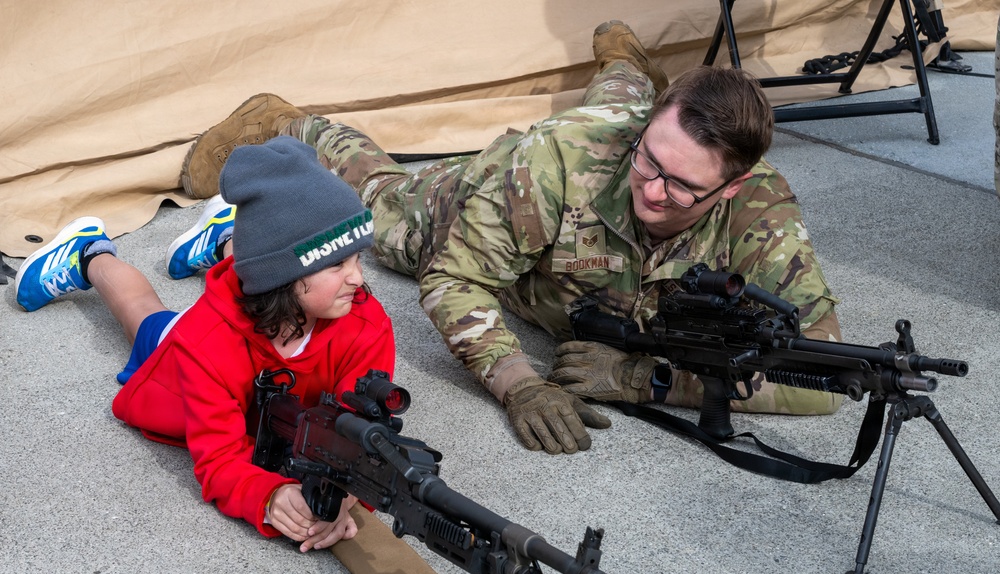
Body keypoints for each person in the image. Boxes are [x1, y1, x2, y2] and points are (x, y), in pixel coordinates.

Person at [179, 21, 842, 456]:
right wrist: (517, 380)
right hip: (497, 188)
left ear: (728, 188)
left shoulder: (760, 213)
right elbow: (453, 277)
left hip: (612, 129)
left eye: (681, 186)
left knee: (614, 119)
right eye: (650, 160)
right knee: (381, 215)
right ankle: (292, 122)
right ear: (650, 131)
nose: (652, 190)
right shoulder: (552, 164)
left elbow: (823, 374)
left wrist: (652, 380)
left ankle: (625, 69)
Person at [15, 136, 393, 551]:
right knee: (143, 313)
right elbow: (218, 460)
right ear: (283, 273)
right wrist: (269, 498)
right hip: (191, 349)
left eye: (358, 259)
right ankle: (88, 253)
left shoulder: (363, 319)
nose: (357, 278)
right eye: (338, 264)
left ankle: (224, 237)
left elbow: (359, 435)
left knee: (263, 265)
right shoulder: (202, 344)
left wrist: (346, 496)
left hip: (264, 303)